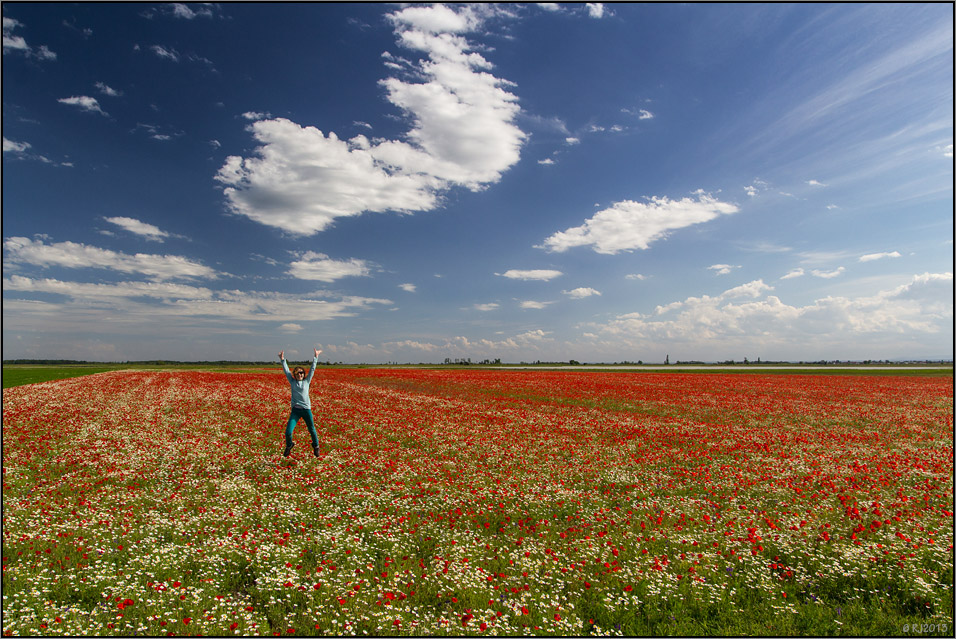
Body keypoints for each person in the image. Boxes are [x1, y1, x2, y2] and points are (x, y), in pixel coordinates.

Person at [279, 348, 322, 458]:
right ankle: (289, 445)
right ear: (295, 374)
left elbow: (312, 369)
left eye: (302, 373)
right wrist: (282, 359)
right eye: (298, 373)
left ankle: (316, 446)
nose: (300, 375)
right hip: (296, 411)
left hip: (306, 410)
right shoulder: (292, 381)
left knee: (312, 429)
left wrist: (316, 357)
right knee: (288, 432)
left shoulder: (307, 381)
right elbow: (286, 371)